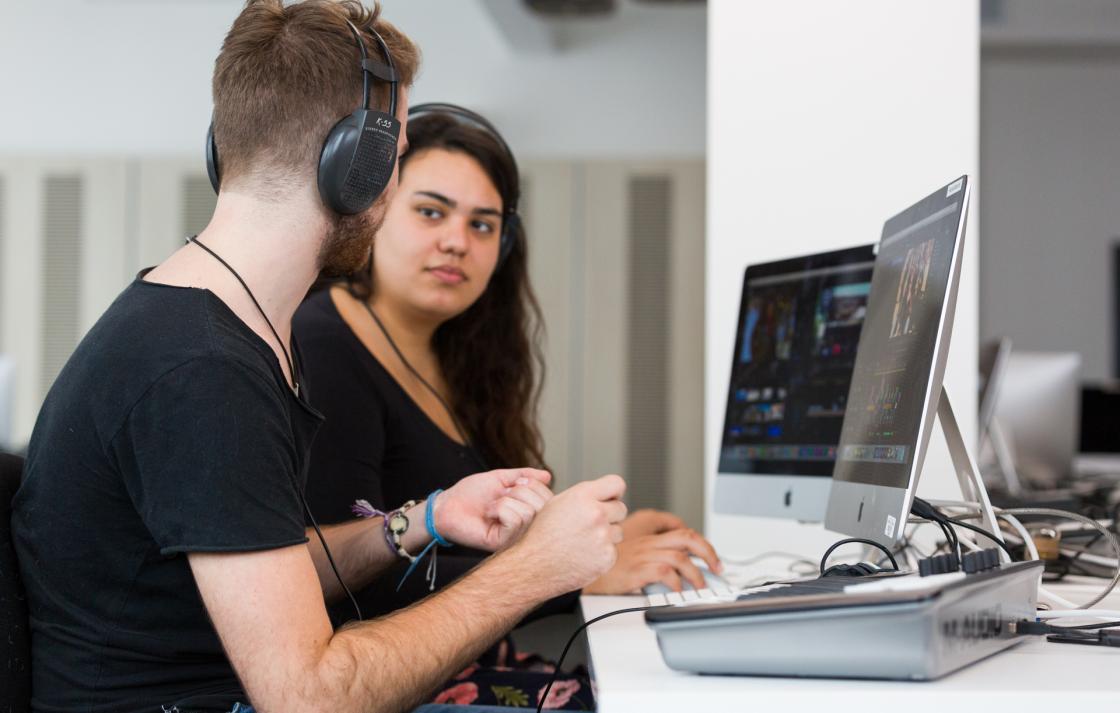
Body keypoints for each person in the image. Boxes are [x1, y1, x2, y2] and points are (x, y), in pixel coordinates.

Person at [10, 3, 628, 711]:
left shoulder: (203, 325)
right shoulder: (200, 369)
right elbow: (313, 697)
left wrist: (423, 518)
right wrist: (534, 567)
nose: (390, 187)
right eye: (393, 164)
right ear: (355, 168)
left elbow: (261, 571)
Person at [294, 105, 723, 623]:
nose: (457, 242)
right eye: (431, 212)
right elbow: (348, 582)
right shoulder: (323, 344)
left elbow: (470, 543)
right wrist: (576, 576)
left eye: (482, 224)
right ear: (373, 213)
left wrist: (595, 541)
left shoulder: (455, 350)